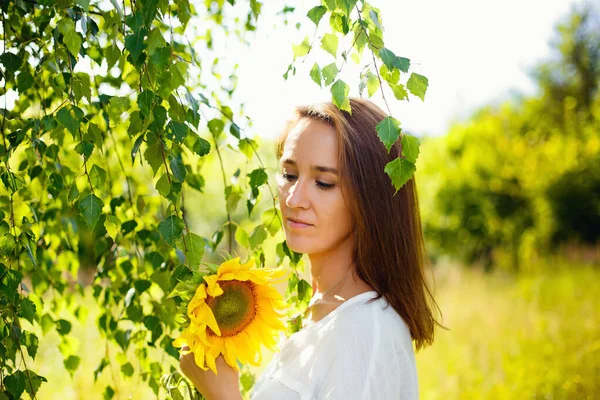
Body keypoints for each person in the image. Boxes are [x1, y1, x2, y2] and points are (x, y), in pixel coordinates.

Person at [179, 98, 441, 399]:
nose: (293, 199)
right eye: (289, 175)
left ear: (372, 199)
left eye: (324, 183)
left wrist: (223, 395)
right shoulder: (324, 311)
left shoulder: (366, 332)